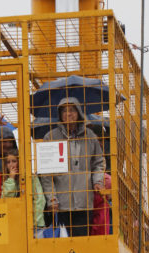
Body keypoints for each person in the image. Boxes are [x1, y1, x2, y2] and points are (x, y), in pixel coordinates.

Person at [40, 97, 107, 237]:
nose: (68, 114)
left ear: (79, 113)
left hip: (84, 202)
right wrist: (51, 199)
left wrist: (98, 182)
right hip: (60, 205)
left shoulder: (90, 136)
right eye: (64, 111)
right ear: (60, 115)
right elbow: (46, 174)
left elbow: (98, 163)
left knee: (82, 244)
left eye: (71, 110)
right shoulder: (51, 137)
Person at [1, 150, 47, 236]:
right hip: (14, 224)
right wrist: (11, 179)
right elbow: (5, 200)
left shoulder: (30, 177)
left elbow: (39, 199)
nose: (11, 165)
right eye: (8, 162)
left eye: (14, 161)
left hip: (33, 224)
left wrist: (35, 222)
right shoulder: (6, 180)